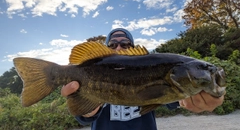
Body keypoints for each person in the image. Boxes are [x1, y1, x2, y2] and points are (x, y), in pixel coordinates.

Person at [61, 28, 224, 130]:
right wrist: (87, 112)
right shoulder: (89, 71)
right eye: (112, 45)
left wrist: (209, 97)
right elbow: (82, 118)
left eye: (125, 44)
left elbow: (180, 100)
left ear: (133, 48)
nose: (119, 47)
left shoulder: (160, 72)